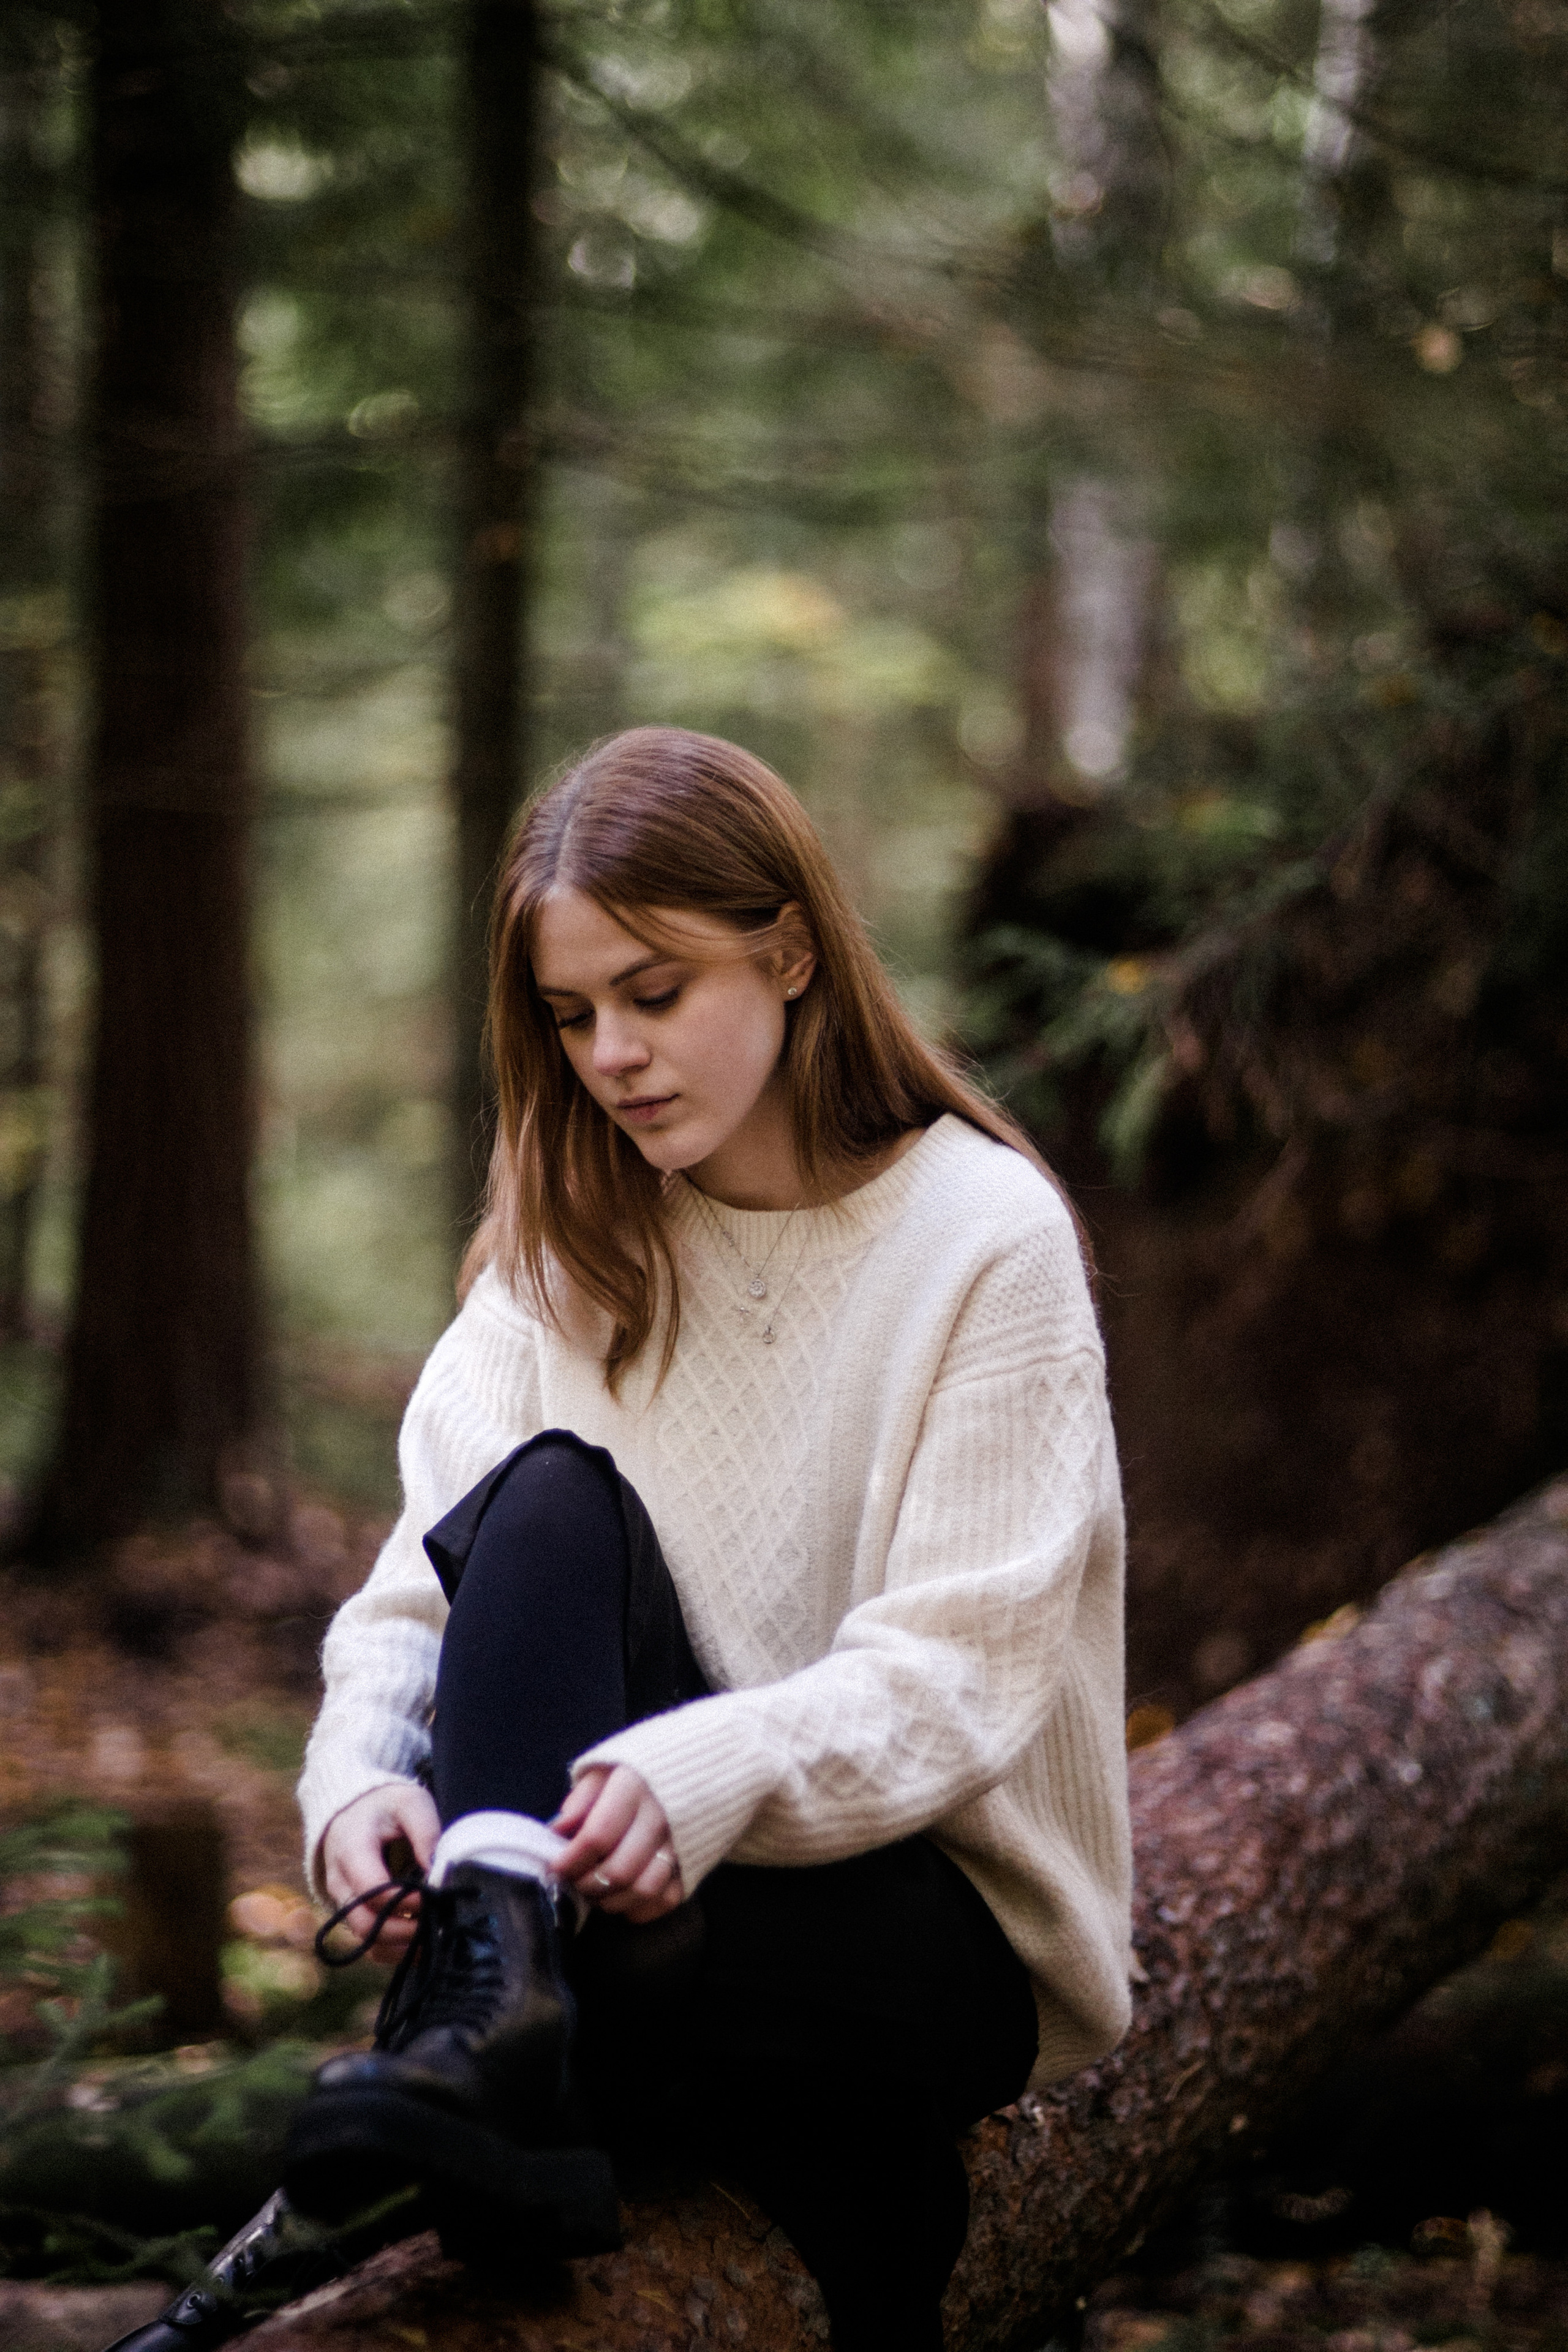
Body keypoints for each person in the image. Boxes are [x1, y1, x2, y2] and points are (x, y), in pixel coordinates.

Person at [107, 726, 1131, 2352]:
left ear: (789, 950)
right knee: (544, 1505)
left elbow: (960, 1674)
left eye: (655, 993)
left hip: (924, 1931)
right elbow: (415, 1602)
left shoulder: (980, 1236)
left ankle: (414, 2137)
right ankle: (502, 2053)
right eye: (572, 1014)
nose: (614, 1055)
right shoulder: (565, 1245)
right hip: (614, 1913)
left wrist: (712, 1770)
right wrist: (360, 1786)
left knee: (591, 1957)